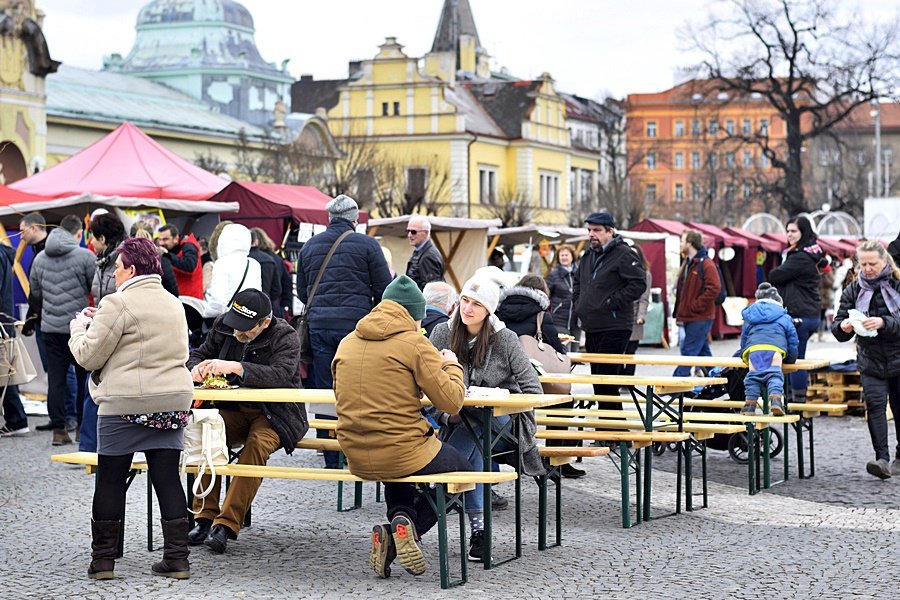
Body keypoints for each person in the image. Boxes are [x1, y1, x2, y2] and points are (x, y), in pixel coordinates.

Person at [68, 237, 195, 580]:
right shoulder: (173, 302)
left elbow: (88, 356)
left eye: (117, 268)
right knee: (167, 477)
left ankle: (103, 562)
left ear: (132, 269)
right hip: (171, 400)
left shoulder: (117, 302)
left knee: (110, 479)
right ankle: (177, 560)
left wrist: (79, 328)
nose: (114, 274)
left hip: (125, 403)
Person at [332, 275, 469, 579]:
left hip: (354, 451)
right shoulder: (414, 343)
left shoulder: (347, 342)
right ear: (412, 313)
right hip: (399, 450)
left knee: (396, 461)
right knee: (463, 468)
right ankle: (409, 531)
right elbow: (451, 402)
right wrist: (451, 364)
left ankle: (399, 520)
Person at [429, 273, 544, 562]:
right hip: (461, 422)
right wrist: (446, 416)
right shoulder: (441, 334)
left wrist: (498, 398)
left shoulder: (505, 339)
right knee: (476, 447)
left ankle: (436, 484)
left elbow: (533, 389)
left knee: (478, 425)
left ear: (489, 311)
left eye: (476, 305)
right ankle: (479, 532)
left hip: (506, 422)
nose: (467, 309)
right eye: (465, 301)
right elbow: (427, 385)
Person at [186, 289, 308, 553]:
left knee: (257, 445)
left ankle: (226, 524)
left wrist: (238, 368)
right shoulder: (223, 324)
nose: (238, 333)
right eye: (235, 325)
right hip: (232, 409)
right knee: (209, 435)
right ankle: (204, 517)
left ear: (265, 322)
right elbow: (199, 354)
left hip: (276, 414)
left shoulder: (285, 335)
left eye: (245, 328)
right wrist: (195, 367)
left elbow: (282, 375)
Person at [296, 195, 391, 468]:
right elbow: (384, 288)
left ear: (329, 218)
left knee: (326, 387)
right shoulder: (368, 245)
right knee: (357, 386)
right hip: (356, 327)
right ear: (354, 219)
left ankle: (330, 452)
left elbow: (303, 291)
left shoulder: (310, 246)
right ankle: (357, 450)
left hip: (320, 327)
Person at [832, 240, 900, 479]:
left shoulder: (897, 283)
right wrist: (844, 326)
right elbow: (837, 326)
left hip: (898, 357)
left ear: (884, 261)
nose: (868, 268)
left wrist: (884, 322)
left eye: (873, 263)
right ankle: (882, 459)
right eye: (864, 264)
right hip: (870, 360)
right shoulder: (853, 289)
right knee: (875, 407)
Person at [29, 215, 95, 446]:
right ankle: (80, 428)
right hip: (77, 327)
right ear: (78, 233)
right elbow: (93, 289)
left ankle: (58, 429)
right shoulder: (86, 256)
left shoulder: (39, 258)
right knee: (82, 378)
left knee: (56, 380)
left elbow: (35, 293)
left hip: (50, 328)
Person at [572, 211, 647, 410]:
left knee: (607, 382)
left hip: (615, 326)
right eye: (589, 230)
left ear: (610, 231)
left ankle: (616, 434)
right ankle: (607, 430)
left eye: (597, 230)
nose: (591, 234)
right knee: (599, 382)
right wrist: (579, 305)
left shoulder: (624, 253)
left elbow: (638, 284)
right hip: (592, 325)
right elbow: (578, 282)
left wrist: (611, 303)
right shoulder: (588, 256)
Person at [78, 212, 127, 451]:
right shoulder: (102, 259)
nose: (91, 242)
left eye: (94, 237)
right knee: (95, 384)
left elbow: (120, 298)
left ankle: (95, 446)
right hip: (102, 323)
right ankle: (90, 446)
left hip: (116, 329)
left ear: (104, 238)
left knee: (97, 386)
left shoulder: (122, 261)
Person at [767, 216, 823, 404]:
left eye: (794, 231)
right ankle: (792, 398)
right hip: (807, 312)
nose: (789, 235)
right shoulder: (808, 253)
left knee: (795, 359)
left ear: (803, 232)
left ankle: (797, 402)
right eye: (788, 231)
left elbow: (775, 275)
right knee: (794, 357)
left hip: (801, 315)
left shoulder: (801, 257)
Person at [738, 283, 799, 416]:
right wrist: (790, 358)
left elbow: (744, 337)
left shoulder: (751, 315)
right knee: (774, 375)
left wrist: (744, 353)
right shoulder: (784, 316)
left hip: (754, 349)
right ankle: (776, 401)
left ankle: (749, 405)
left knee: (753, 377)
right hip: (775, 349)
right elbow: (792, 340)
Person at [672, 228, 721, 377]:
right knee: (702, 352)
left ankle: (673, 386)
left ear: (690, 243)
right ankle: (719, 382)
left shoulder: (706, 264)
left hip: (699, 316)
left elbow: (714, 288)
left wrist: (696, 305)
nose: (680, 243)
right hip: (691, 316)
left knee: (689, 351)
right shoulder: (688, 263)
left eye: (682, 240)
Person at [201, 223, 262, 318]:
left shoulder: (222, 263)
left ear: (223, 241)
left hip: (229, 320)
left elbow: (218, 301)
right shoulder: (254, 264)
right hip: (249, 319)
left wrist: (206, 314)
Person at [0, 239, 28, 437]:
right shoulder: (4, 255)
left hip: (2, 323)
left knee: (5, 374)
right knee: (5, 374)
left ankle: (17, 419)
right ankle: (16, 419)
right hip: (4, 321)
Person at [623, 244, 652, 376]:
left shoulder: (645, 274)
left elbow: (644, 298)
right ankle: (618, 380)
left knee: (630, 351)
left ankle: (628, 380)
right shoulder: (621, 272)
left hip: (635, 318)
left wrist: (641, 316)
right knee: (618, 351)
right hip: (621, 317)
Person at [250, 227, 292, 319]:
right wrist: (286, 305)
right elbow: (286, 284)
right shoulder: (276, 258)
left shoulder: (247, 258)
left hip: (251, 307)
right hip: (274, 306)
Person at [546, 243, 580, 352]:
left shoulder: (580, 274)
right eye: (562, 255)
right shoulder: (553, 274)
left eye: (566, 255)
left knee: (575, 352)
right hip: (559, 318)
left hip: (576, 318)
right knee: (562, 350)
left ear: (572, 257)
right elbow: (546, 294)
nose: (564, 257)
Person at [129, 222, 179, 297]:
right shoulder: (161, 258)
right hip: (156, 304)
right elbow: (173, 292)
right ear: (152, 238)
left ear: (129, 237)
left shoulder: (122, 259)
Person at [157, 224, 203, 299]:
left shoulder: (189, 246)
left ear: (176, 238)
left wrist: (167, 255)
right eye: (160, 239)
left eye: (165, 239)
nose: (161, 243)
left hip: (190, 300)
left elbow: (190, 267)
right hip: (177, 297)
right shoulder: (170, 249)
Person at [405, 216, 444, 289]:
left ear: (426, 233)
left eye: (413, 232)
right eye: (408, 231)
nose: (409, 235)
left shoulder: (429, 256)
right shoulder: (422, 252)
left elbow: (432, 291)